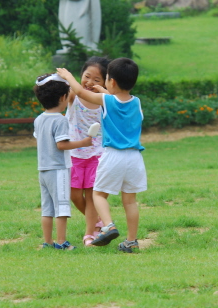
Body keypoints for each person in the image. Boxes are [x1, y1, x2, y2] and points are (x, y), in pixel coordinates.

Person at [57, 58, 147, 253]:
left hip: (113, 155)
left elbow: (80, 92)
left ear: (111, 82)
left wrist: (68, 76)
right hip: (135, 158)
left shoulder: (107, 101)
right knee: (130, 201)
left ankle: (108, 225)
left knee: (98, 195)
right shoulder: (137, 102)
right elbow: (119, 101)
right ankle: (131, 241)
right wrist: (105, 92)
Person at [33, 73, 93, 250]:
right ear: (62, 97)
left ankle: (47, 242)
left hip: (43, 170)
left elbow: (40, 140)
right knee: (62, 208)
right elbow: (61, 145)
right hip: (58, 169)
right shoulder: (60, 120)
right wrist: (83, 142)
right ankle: (61, 242)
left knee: (47, 209)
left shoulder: (39, 119)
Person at [65, 56, 110, 247]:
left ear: (106, 82)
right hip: (74, 153)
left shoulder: (105, 101)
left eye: (96, 80)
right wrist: (67, 78)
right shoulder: (73, 95)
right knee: (74, 195)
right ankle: (98, 222)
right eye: (86, 76)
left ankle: (89, 233)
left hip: (96, 154)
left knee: (91, 196)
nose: (90, 82)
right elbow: (76, 89)